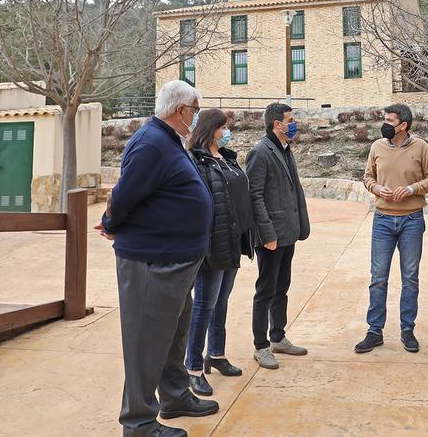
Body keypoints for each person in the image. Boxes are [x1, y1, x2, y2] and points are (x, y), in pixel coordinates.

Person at [98, 80, 219, 437]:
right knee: (146, 340)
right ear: (180, 110)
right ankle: (138, 423)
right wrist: (110, 223)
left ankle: (175, 396)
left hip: (176, 261)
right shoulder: (151, 142)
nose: (196, 118)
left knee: (174, 331)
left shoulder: (167, 141)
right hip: (153, 262)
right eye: (194, 111)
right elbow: (124, 194)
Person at [356, 104, 428, 355]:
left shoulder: (421, 147)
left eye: (390, 120)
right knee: (378, 278)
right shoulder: (377, 147)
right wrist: (376, 189)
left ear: (403, 125)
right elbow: (367, 176)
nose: (385, 123)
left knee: (410, 278)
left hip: (412, 220)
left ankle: (407, 330)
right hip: (382, 219)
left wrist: (413, 189)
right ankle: (374, 331)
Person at [184, 109, 255, 397]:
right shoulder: (196, 161)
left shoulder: (226, 158)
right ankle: (193, 368)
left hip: (234, 239)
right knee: (204, 304)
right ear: (211, 128)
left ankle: (216, 354)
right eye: (225, 127)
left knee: (221, 301)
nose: (228, 131)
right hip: (212, 243)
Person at [246, 102, 311, 369]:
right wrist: (267, 233)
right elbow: (254, 195)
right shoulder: (261, 152)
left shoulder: (285, 149)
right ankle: (261, 346)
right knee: (265, 290)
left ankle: (278, 337)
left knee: (281, 288)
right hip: (271, 237)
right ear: (277, 124)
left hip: (288, 234)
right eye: (290, 120)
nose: (293, 123)